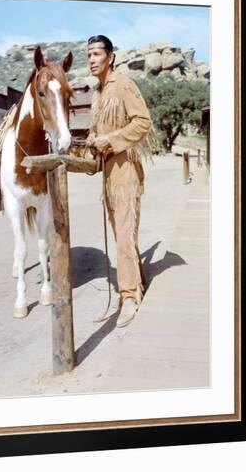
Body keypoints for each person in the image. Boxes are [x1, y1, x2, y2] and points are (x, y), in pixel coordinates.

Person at [85, 35, 157, 327]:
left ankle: (129, 296)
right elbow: (97, 130)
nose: (91, 59)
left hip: (126, 170)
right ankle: (137, 282)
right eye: (88, 54)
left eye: (96, 54)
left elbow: (143, 122)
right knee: (121, 235)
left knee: (125, 237)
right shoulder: (97, 93)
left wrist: (110, 140)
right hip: (108, 175)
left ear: (110, 57)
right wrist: (93, 140)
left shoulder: (123, 84)